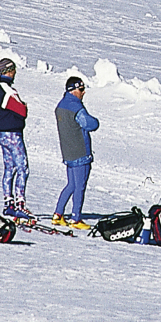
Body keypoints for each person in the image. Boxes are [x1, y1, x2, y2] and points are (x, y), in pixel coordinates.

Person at [53, 76, 100, 227]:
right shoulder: (76, 107)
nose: (83, 92)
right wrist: (97, 121)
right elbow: (90, 124)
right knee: (80, 186)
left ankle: (58, 214)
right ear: (73, 90)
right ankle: (76, 218)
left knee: (71, 185)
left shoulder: (61, 105)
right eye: (81, 89)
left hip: (68, 152)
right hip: (80, 152)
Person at [0, 57, 33, 218]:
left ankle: (8, 202)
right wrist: (24, 108)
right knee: (22, 167)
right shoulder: (7, 89)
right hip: (12, 134)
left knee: (10, 168)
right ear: (9, 70)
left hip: (1, 133)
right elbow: (22, 110)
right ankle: (20, 203)